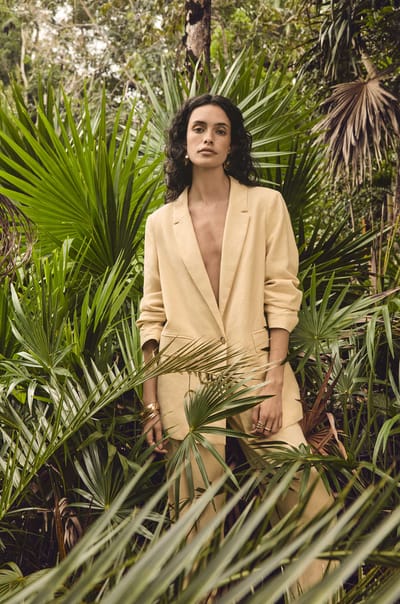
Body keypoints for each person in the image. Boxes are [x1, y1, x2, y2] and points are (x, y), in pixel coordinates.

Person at [137, 93, 335, 597]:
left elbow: (282, 294)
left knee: (310, 503)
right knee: (197, 524)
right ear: (183, 142)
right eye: (198, 128)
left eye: (220, 130)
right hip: (185, 383)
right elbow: (152, 314)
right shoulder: (160, 223)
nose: (208, 137)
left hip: (256, 371)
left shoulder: (265, 205)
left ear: (232, 145)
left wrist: (273, 381)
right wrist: (150, 402)